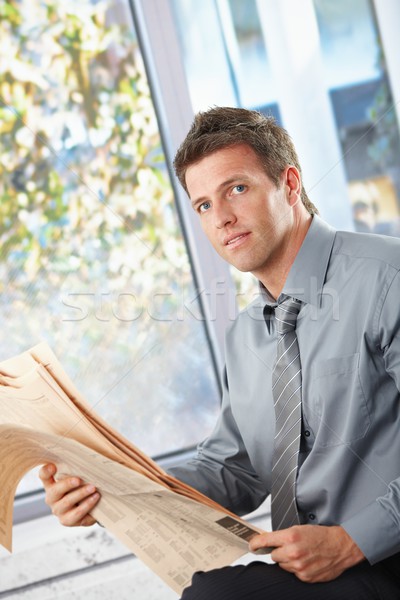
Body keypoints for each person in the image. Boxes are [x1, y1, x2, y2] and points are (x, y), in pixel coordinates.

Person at [39, 107, 400, 599]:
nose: (222, 217)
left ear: (289, 184)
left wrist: (352, 541)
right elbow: (234, 470)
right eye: (204, 205)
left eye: (237, 188)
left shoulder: (386, 277)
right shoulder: (248, 334)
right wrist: (111, 487)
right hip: (314, 570)